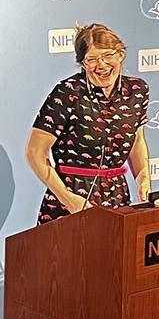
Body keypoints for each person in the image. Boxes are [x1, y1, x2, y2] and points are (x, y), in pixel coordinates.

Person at [25, 23, 151, 223]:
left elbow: (137, 141)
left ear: (121, 54)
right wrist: (69, 200)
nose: (101, 65)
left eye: (108, 55)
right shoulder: (68, 92)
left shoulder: (137, 90)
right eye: (91, 59)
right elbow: (35, 152)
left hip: (118, 197)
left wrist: (143, 176)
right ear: (83, 64)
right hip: (71, 198)